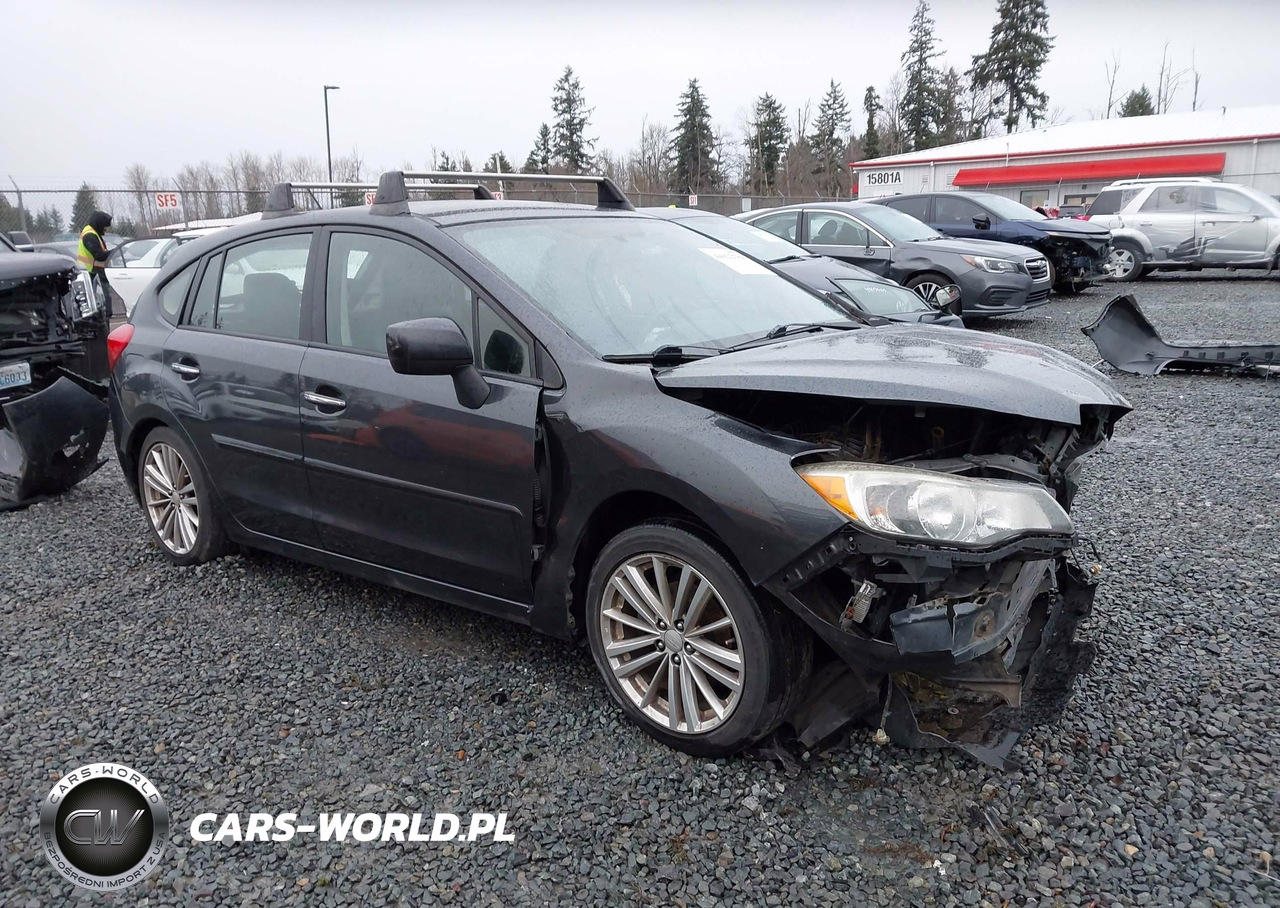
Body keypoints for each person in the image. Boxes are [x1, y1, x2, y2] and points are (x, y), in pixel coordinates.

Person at [77, 211, 115, 317]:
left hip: (93, 271)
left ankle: (104, 316)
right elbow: (98, 255)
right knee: (100, 300)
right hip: (91, 272)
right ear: (99, 224)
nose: (106, 229)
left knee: (100, 300)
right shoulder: (89, 235)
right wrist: (114, 252)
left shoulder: (92, 233)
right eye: (105, 226)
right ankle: (103, 317)